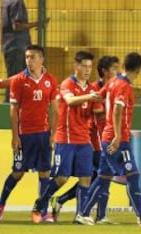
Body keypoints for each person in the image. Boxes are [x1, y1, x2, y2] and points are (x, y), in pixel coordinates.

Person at [75, 52, 141, 227]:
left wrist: (77, 100)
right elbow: (117, 110)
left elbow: (98, 96)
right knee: (132, 175)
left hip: (106, 138)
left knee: (102, 178)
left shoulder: (112, 82)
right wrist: (117, 136)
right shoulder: (124, 86)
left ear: (124, 65)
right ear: (139, 69)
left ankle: (84, 214)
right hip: (118, 140)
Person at [31, 51, 103, 224]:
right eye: (84, 66)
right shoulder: (67, 84)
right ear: (76, 66)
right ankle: (41, 203)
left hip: (84, 140)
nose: (87, 70)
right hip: (66, 139)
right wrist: (90, 97)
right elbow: (70, 101)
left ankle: (81, 215)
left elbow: (97, 110)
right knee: (62, 178)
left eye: (89, 67)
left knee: (85, 178)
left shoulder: (92, 89)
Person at [0, 45, 58, 222]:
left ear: (41, 59)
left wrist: (53, 134)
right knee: (18, 172)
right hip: (25, 135)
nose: (29, 61)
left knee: (44, 172)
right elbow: (13, 110)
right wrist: (15, 136)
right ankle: (0, 204)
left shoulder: (50, 80)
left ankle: (42, 211)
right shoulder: (19, 80)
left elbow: (53, 109)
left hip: (43, 134)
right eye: (27, 57)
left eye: (33, 57)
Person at [50, 56, 119, 224]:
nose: (117, 72)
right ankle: (87, 212)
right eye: (114, 69)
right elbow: (97, 111)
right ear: (105, 71)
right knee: (98, 176)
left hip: (103, 139)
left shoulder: (113, 88)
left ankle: (92, 213)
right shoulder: (94, 89)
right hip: (93, 140)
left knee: (99, 176)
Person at [1, 0, 49, 102]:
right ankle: (9, 108)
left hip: (11, 46)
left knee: (15, 80)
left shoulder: (6, 1)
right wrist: (38, 24)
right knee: (16, 80)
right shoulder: (17, 2)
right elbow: (17, 25)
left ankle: (11, 106)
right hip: (17, 47)